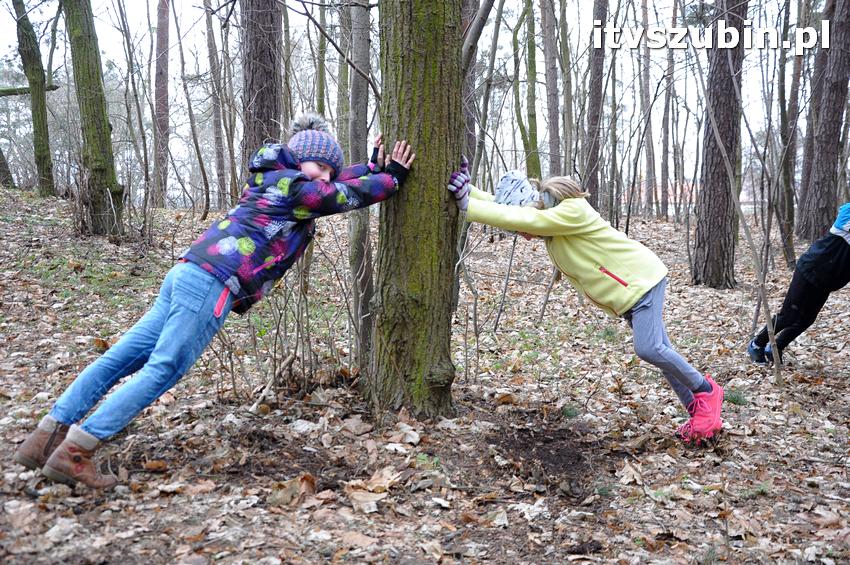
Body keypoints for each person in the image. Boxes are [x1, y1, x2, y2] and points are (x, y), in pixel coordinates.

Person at [14, 114, 416, 488]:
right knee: (164, 368)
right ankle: (76, 451)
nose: (327, 176)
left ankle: (45, 438)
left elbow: (335, 183)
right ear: (301, 159)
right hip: (212, 283)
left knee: (121, 359)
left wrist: (371, 168)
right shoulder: (296, 188)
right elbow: (337, 196)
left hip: (189, 274)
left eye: (331, 171)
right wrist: (391, 178)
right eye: (322, 168)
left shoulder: (278, 176)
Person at [447, 164, 723, 445]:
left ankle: (707, 391)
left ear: (533, 206)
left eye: (520, 227)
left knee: (649, 348)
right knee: (662, 354)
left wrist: (468, 207)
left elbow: (525, 218)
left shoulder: (571, 212)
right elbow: (508, 208)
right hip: (631, 293)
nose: (523, 234)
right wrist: (469, 190)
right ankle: (699, 414)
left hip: (642, 282)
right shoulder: (552, 223)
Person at [748, 202, 850, 364]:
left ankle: (776, 347)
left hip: (826, 282)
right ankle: (757, 344)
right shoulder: (847, 215)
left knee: (806, 320)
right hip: (810, 269)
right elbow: (845, 209)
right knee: (789, 315)